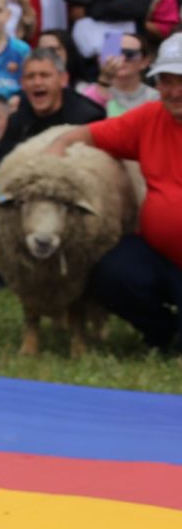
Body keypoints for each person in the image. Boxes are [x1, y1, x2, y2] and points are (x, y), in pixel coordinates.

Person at [51, 33, 182, 355]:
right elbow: (86, 133)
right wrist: (55, 150)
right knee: (109, 271)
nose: (175, 91)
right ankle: (162, 334)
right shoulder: (150, 117)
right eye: (166, 81)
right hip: (159, 252)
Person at [17, 47, 104, 136]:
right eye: (30, 77)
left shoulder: (89, 120)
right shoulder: (17, 121)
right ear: (22, 83)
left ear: (63, 79)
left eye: (45, 75)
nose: (37, 83)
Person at [79, 30, 159, 118]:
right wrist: (104, 79)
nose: (121, 59)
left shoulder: (155, 97)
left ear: (145, 61)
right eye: (114, 54)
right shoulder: (86, 92)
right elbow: (86, 117)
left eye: (129, 54)